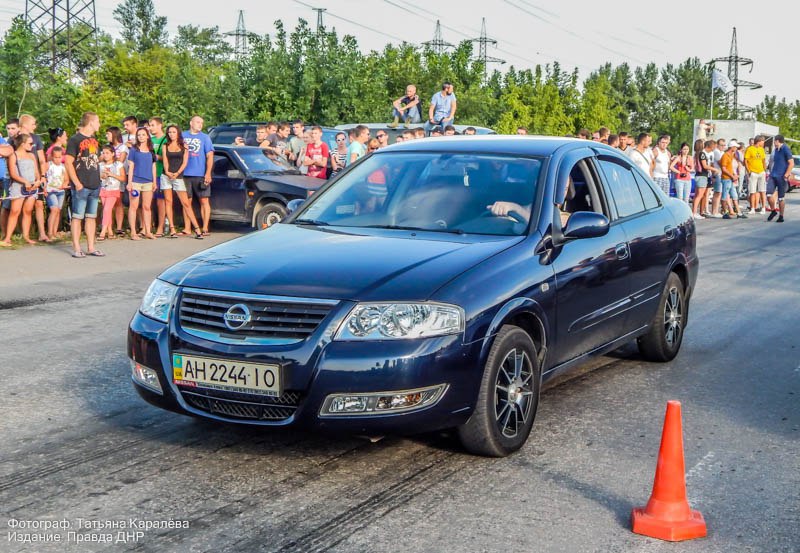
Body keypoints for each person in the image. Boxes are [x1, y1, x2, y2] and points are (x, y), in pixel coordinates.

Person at [64, 112, 103, 257]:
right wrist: (77, 182)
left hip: (95, 183)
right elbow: (68, 162)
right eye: (97, 121)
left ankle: (91, 247)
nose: (99, 125)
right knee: (77, 216)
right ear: (91, 122)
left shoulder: (94, 140)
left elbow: (93, 159)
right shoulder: (75, 140)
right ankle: (77, 248)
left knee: (91, 216)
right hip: (81, 184)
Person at [1, 134, 43, 246]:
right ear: (22, 144)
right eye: (30, 143)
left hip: (32, 187)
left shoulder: (32, 155)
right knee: (15, 211)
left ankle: (26, 236)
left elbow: (36, 171)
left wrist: (38, 180)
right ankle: (7, 238)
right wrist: (24, 181)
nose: (32, 145)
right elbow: (13, 173)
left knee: (28, 211)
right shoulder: (14, 155)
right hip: (18, 187)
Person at [163, 124, 202, 239]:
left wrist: (177, 173)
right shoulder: (165, 145)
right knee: (168, 201)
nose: (171, 134)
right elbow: (165, 160)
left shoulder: (184, 145)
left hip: (178, 176)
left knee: (186, 203)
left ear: (178, 133)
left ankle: (197, 229)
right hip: (166, 175)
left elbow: (185, 162)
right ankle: (172, 229)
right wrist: (168, 172)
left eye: (174, 132)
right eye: (170, 132)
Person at [19, 114, 49, 241]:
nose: (35, 126)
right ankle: (21, 234)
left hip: (37, 176)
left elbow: (42, 159)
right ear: (25, 125)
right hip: (21, 176)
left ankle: (42, 234)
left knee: (39, 204)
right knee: (19, 206)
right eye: (33, 124)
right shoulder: (16, 138)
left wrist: (42, 176)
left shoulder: (36, 138)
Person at [182, 116, 214, 235]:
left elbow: (210, 156)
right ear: (191, 123)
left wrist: (208, 173)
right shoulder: (182, 135)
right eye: (198, 122)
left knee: (204, 200)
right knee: (186, 202)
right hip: (185, 174)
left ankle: (205, 228)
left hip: (200, 174)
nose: (200, 124)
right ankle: (187, 228)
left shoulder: (205, 138)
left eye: (202, 123)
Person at [126, 127, 157, 240]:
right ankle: (133, 232)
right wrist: (129, 182)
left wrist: (154, 182)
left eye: (143, 134)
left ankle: (148, 231)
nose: (141, 137)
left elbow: (153, 166)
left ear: (147, 136)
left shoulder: (151, 150)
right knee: (133, 206)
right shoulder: (134, 150)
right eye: (139, 135)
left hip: (148, 181)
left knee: (147, 207)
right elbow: (131, 166)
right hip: (135, 181)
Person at [97, 145, 125, 241]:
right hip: (103, 189)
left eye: (107, 153)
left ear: (113, 154)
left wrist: (112, 175)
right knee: (107, 210)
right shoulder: (100, 165)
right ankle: (110, 231)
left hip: (114, 189)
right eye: (104, 153)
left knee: (107, 209)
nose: (105, 155)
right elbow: (98, 177)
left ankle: (103, 231)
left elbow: (123, 178)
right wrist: (102, 176)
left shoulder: (118, 164)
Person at [149, 117, 171, 237]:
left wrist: (157, 157)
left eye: (153, 125)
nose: (150, 128)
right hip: (148, 174)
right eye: (150, 125)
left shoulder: (165, 140)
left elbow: (168, 157)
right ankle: (148, 226)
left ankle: (160, 227)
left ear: (160, 125)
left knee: (160, 202)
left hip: (160, 173)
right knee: (148, 202)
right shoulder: (149, 140)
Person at [106, 126, 129, 236]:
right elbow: (101, 159)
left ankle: (119, 227)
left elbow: (121, 160)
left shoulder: (123, 147)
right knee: (108, 204)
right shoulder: (107, 147)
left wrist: (109, 158)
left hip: (118, 176)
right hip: (107, 178)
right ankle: (108, 226)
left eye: (108, 134)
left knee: (118, 202)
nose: (106, 136)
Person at [766, 135, 794, 222]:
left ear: (778, 141)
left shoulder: (785, 149)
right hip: (773, 175)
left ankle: (781, 216)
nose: (774, 142)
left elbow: (791, 163)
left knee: (781, 198)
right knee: (768, 193)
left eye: (774, 141)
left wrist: (786, 174)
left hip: (781, 176)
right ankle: (773, 211)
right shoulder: (776, 150)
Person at [44, 146, 69, 239]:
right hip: (51, 191)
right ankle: (50, 232)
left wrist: (64, 184)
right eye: (56, 157)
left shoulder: (63, 166)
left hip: (60, 191)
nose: (58, 159)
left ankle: (55, 232)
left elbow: (66, 179)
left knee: (58, 211)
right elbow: (43, 177)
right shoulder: (48, 165)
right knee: (54, 210)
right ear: (52, 156)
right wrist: (44, 187)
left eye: (59, 157)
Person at [718, 140, 743, 219]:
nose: (736, 148)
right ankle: (725, 212)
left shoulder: (730, 155)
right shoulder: (725, 156)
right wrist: (732, 175)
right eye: (735, 147)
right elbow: (723, 168)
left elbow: (728, 167)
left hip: (730, 178)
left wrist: (733, 175)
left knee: (734, 195)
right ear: (732, 147)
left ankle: (739, 213)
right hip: (726, 178)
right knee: (725, 195)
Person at [744, 135, 767, 214]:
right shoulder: (749, 149)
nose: (763, 143)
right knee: (752, 191)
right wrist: (748, 171)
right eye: (762, 141)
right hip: (753, 172)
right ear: (759, 141)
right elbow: (745, 161)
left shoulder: (762, 149)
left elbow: (763, 160)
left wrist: (765, 170)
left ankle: (763, 208)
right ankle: (752, 208)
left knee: (762, 190)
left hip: (761, 172)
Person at [692, 140, 714, 219]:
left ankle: (694, 211)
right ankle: (694, 212)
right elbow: (705, 166)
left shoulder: (696, 154)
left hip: (698, 175)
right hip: (702, 175)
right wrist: (714, 169)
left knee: (697, 195)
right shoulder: (702, 154)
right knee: (699, 195)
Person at [709, 138, 727, 217]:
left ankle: (716, 211)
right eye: (721, 145)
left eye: (724, 145)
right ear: (717, 145)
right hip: (717, 174)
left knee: (719, 193)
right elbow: (721, 163)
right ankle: (714, 211)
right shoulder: (716, 152)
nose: (723, 147)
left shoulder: (722, 152)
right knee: (717, 192)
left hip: (721, 174)